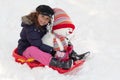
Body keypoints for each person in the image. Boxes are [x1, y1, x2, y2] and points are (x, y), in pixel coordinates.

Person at [17, 5, 72, 69]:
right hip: (26, 49)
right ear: (37, 14)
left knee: (56, 37)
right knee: (33, 50)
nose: (44, 20)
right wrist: (52, 51)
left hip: (41, 44)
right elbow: (37, 44)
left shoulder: (45, 25)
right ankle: (58, 63)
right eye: (42, 16)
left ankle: (72, 54)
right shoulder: (30, 27)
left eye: (47, 18)